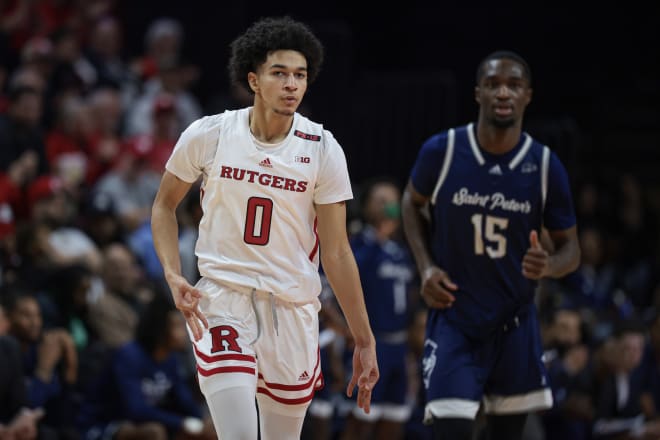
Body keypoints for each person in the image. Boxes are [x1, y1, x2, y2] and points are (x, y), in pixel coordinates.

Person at [151, 16, 379, 440]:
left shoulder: (323, 149)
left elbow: (337, 252)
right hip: (223, 298)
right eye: (280, 73)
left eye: (300, 75)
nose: (292, 84)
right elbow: (163, 206)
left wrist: (363, 338)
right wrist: (172, 273)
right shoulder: (210, 134)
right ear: (253, 80)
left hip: (291, 309)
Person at [401, 50, 581, 440]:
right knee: (450, 429)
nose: (503, 93)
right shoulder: (443, 151)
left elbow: (572, 251)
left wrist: (548, 266)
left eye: (514, 85)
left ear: (527, 96)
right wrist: (426, 266)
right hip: (455, 318)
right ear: (478, 93)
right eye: (493, 84)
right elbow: (410, 204)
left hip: (514, 323)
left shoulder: (546, 166)